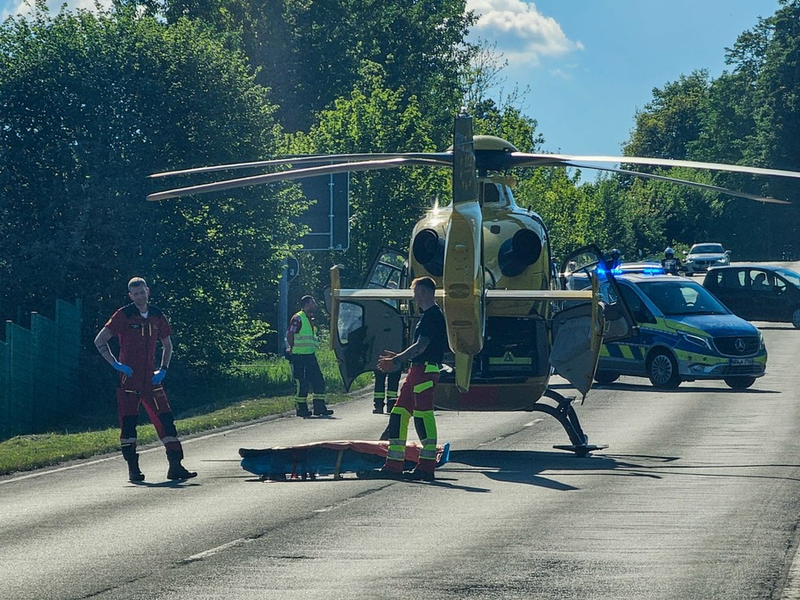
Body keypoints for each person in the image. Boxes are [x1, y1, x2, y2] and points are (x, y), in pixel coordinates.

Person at [94, 277, 196, 482]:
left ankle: (175, 465)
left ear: (148, 291)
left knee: (166, 420)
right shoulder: (124, 315)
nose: (140, 296)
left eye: (142, 292)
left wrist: (163, 369)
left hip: (151, 379)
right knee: (129, 422)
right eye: (135, 293)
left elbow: (168, 344)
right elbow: (100, 340)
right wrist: (115, 364)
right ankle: (133, 469)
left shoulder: (157, 315)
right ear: (131, 295)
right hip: (128, 380)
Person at [376, 277, 447, 481]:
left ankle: (426, 466)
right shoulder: (428, 316)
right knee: (398, 414)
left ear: (423, 292)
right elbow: (418, 347)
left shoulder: (432, 316)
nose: (414, 296)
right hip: (417, 370)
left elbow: (421, 346)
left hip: (425, 370)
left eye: (415, 292)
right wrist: (399, 358)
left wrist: (396, 359)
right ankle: (394, 464)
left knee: (423, 416)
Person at [286, 295, 333, 417]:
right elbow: (290, 333)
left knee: (319, 381)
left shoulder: (309, 318)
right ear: (306, 304)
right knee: (302, 383)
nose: (315, 305)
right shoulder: (298, 318)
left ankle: (319, 408)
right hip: (299, 356)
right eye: (313, 303)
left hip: (310, 355)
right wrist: (291, 347)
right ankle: (301, 409)